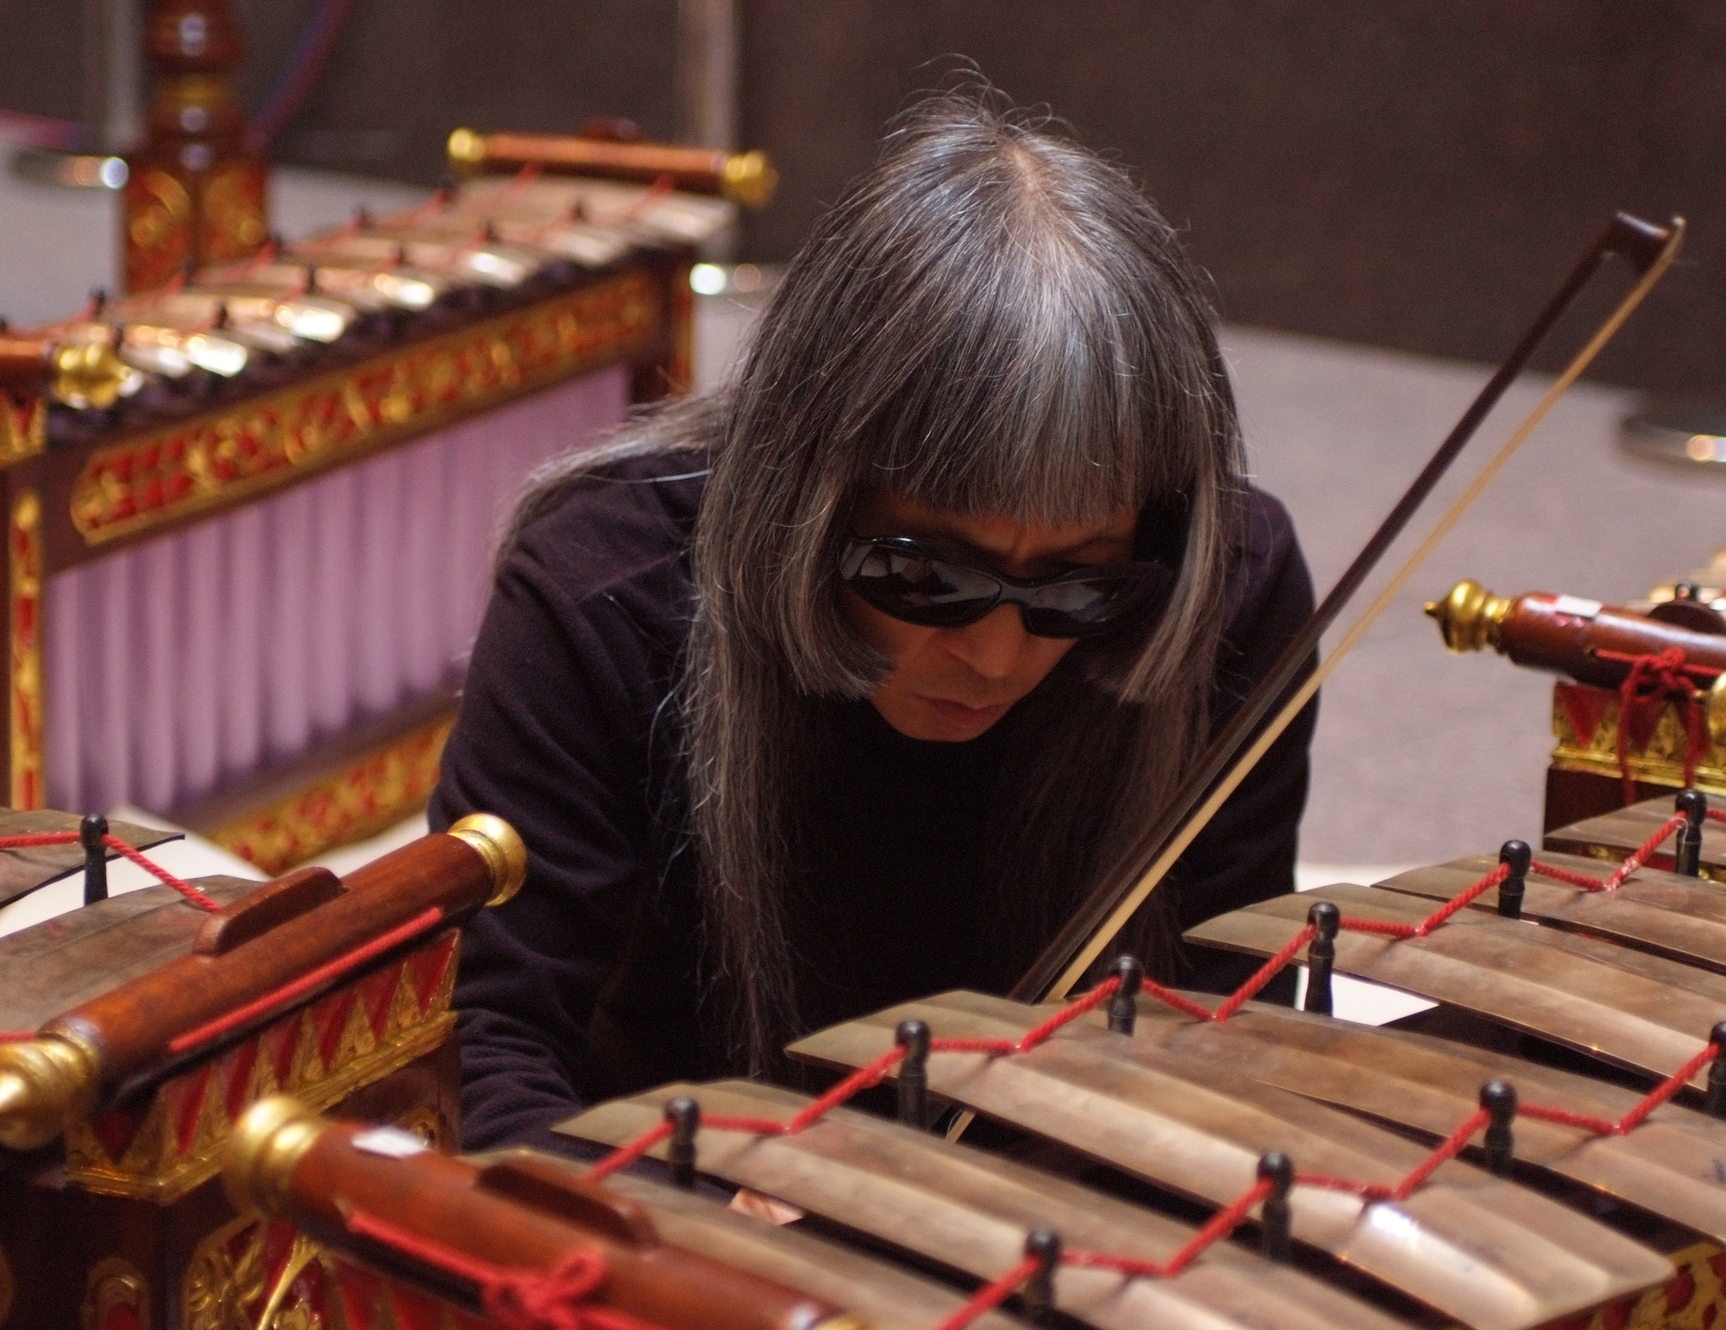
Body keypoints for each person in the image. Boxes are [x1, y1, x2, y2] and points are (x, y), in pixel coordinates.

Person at [428, 91, 1316, 1152]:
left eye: (1074, 587)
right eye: (925, 576)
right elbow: (480, 1046)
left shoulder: (1220, 588)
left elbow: (1224, 1022)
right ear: (802, 501)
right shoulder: (598, 594)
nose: (993, 657)